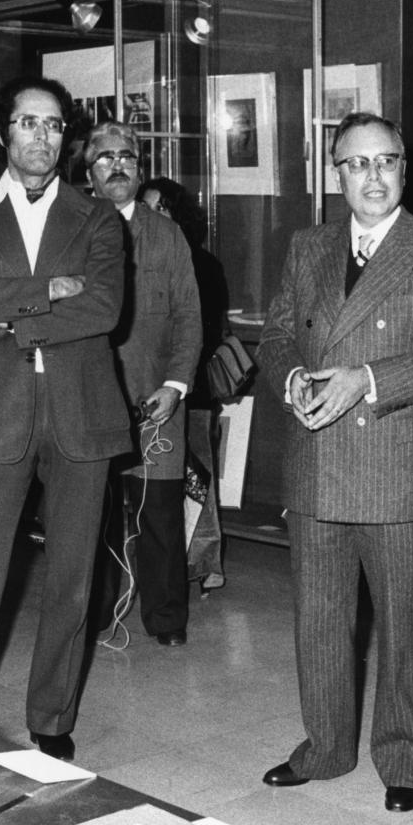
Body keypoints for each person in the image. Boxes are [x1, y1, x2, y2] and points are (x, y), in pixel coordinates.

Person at [256, 111, 413, 814]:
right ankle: (325, 745)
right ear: (336, 174)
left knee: (403, 620)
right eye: (356, 163)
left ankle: (408, 756)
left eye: (386, 161)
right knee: (319, 617)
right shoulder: (309, 246)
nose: (372, 176)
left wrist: (366, 379)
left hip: (394, 460)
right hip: (317, 452)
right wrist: (290, 377)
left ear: (404, 171)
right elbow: (279, 333)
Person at [0, 76, 129, 762]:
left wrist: (14, 314)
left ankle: (51, 715)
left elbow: (104, 308)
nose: (40, 137)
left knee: (71, 574)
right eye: (26, 122)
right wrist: (49, 289)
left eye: (52, 125)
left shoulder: (97, 216)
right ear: (1, 132)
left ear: (65, 137)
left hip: (83, 412)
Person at [86, 125, 202, 647]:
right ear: (89, 172)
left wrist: (175, 385)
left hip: (156, 399)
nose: (117, 166)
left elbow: (188, 317)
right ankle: (92, 618)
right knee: (93, 516)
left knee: (159, 515)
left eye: (127, 157)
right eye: (105, 158)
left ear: (140, 165)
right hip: (89, 398)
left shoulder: (165, 234)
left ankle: (167, 619)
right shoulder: (71, 228)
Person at [142, 176, 230, 594]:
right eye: (148, 208)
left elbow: (206, 330)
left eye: (162, 207)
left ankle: (207, 563)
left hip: (191, 394)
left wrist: (176, 373)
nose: (153, 215)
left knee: (200, 480)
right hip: (154, 390)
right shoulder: (139, 259)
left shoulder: (202, 264)